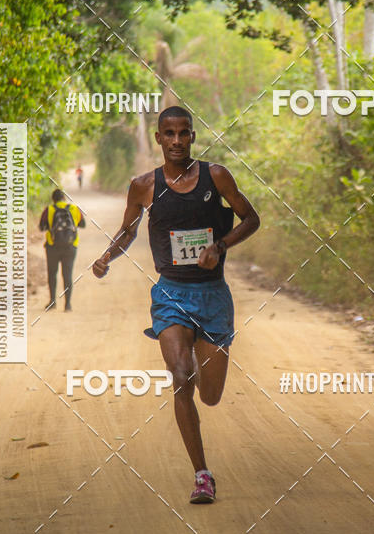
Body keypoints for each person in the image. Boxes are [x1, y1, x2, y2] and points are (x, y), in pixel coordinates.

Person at [92, 106, 260, 504]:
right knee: (181, 377)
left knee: (211, 395)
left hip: (213, 295)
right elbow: (127, 232)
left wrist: (220, 246)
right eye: (169, 133)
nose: (177, 141)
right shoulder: (143, 185)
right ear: (158, 138)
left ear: (193, 137)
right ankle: (202, 474)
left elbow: (251, 219)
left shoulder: (215, 175)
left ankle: (200, 364)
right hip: (170, 294)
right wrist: (106, 257)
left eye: (184, 133)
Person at [39, 189, 86, 312]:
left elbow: (42, 227)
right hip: (70, 247)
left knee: (52, 273)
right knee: (67, 274)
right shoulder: (74, 209)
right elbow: (82, 224)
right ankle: (68, 305)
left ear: (53, 199)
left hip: (52, 246)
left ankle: (52, 302)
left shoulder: (49, 210)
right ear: (64, 198)